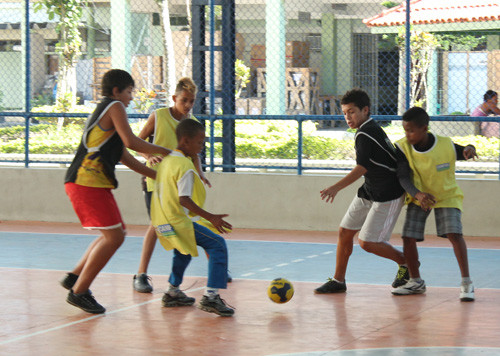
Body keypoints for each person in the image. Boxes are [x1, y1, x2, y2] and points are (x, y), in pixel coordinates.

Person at [61, 69, 171, 314]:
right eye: (130, 91)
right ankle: (79, 292)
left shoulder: (107, 112)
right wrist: (167, 151)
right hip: (86, 181)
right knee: (115, 237)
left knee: (115, 233)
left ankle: (75, 277)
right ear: (116, 91)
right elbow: (132, 142)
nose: (132, 97)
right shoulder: (114, 107)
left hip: (89, 182)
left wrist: (159, 176)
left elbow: (124, 154)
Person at [314, 89, 433, 294]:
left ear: (365, 110)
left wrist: (335, 188)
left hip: (388, 194)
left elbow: (362, 168)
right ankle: (338, 280)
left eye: (351, 112)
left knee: (367, 242)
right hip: (370, 189)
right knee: (345, 232)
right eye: (344, 113)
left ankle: (407, 263)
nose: (347, 117)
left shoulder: (365, 133)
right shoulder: (369, 129)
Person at [131, 78, 230, 293]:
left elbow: (194, 155)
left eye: (191, 101)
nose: (187, 105)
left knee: (191, 223)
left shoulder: (191, 122)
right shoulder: (158, 117)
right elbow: (135, 143)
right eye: (184, 100)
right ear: (174, 98)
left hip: (178, 181)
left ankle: (216, 266)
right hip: (155, 180)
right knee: (157, 226)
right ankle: (141, 274)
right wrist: (149, 155)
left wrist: (200, 174)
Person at [151, 118, 234, 316]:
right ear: (185, 141)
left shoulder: (168, 161)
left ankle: (172, 293)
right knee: (217, 245)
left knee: (183, 250)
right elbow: (184, 200)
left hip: (162, 219)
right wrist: (211, 217)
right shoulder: (184, 167)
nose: (201, 146)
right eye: (199, 142)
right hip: (179, 220)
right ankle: (211, 297)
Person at [391, 106, 476, 301]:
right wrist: (418, 194)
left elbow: (464, 150)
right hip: (420, 195)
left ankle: (466, 283)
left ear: (424, 129)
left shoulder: (445, 144)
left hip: (447, 195)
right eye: (405, 129)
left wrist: (471, 148)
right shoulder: (402, 147)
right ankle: (416, 282)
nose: (407, 134)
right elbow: (403, 177)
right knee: (408, 237)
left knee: (454, 234)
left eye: (411, 130)